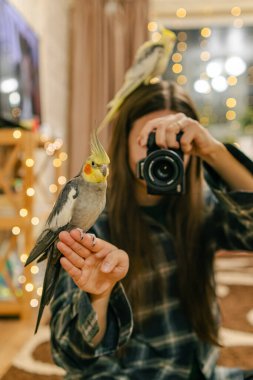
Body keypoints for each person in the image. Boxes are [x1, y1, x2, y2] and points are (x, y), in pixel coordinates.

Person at [50, 80, 253, 380]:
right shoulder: (91, 221)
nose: (163, 151)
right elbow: (70, 355)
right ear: (124, 141)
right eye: (150, 141)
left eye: (176, 140)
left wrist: (214, 152)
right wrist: (99, 295)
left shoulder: (202, 205)